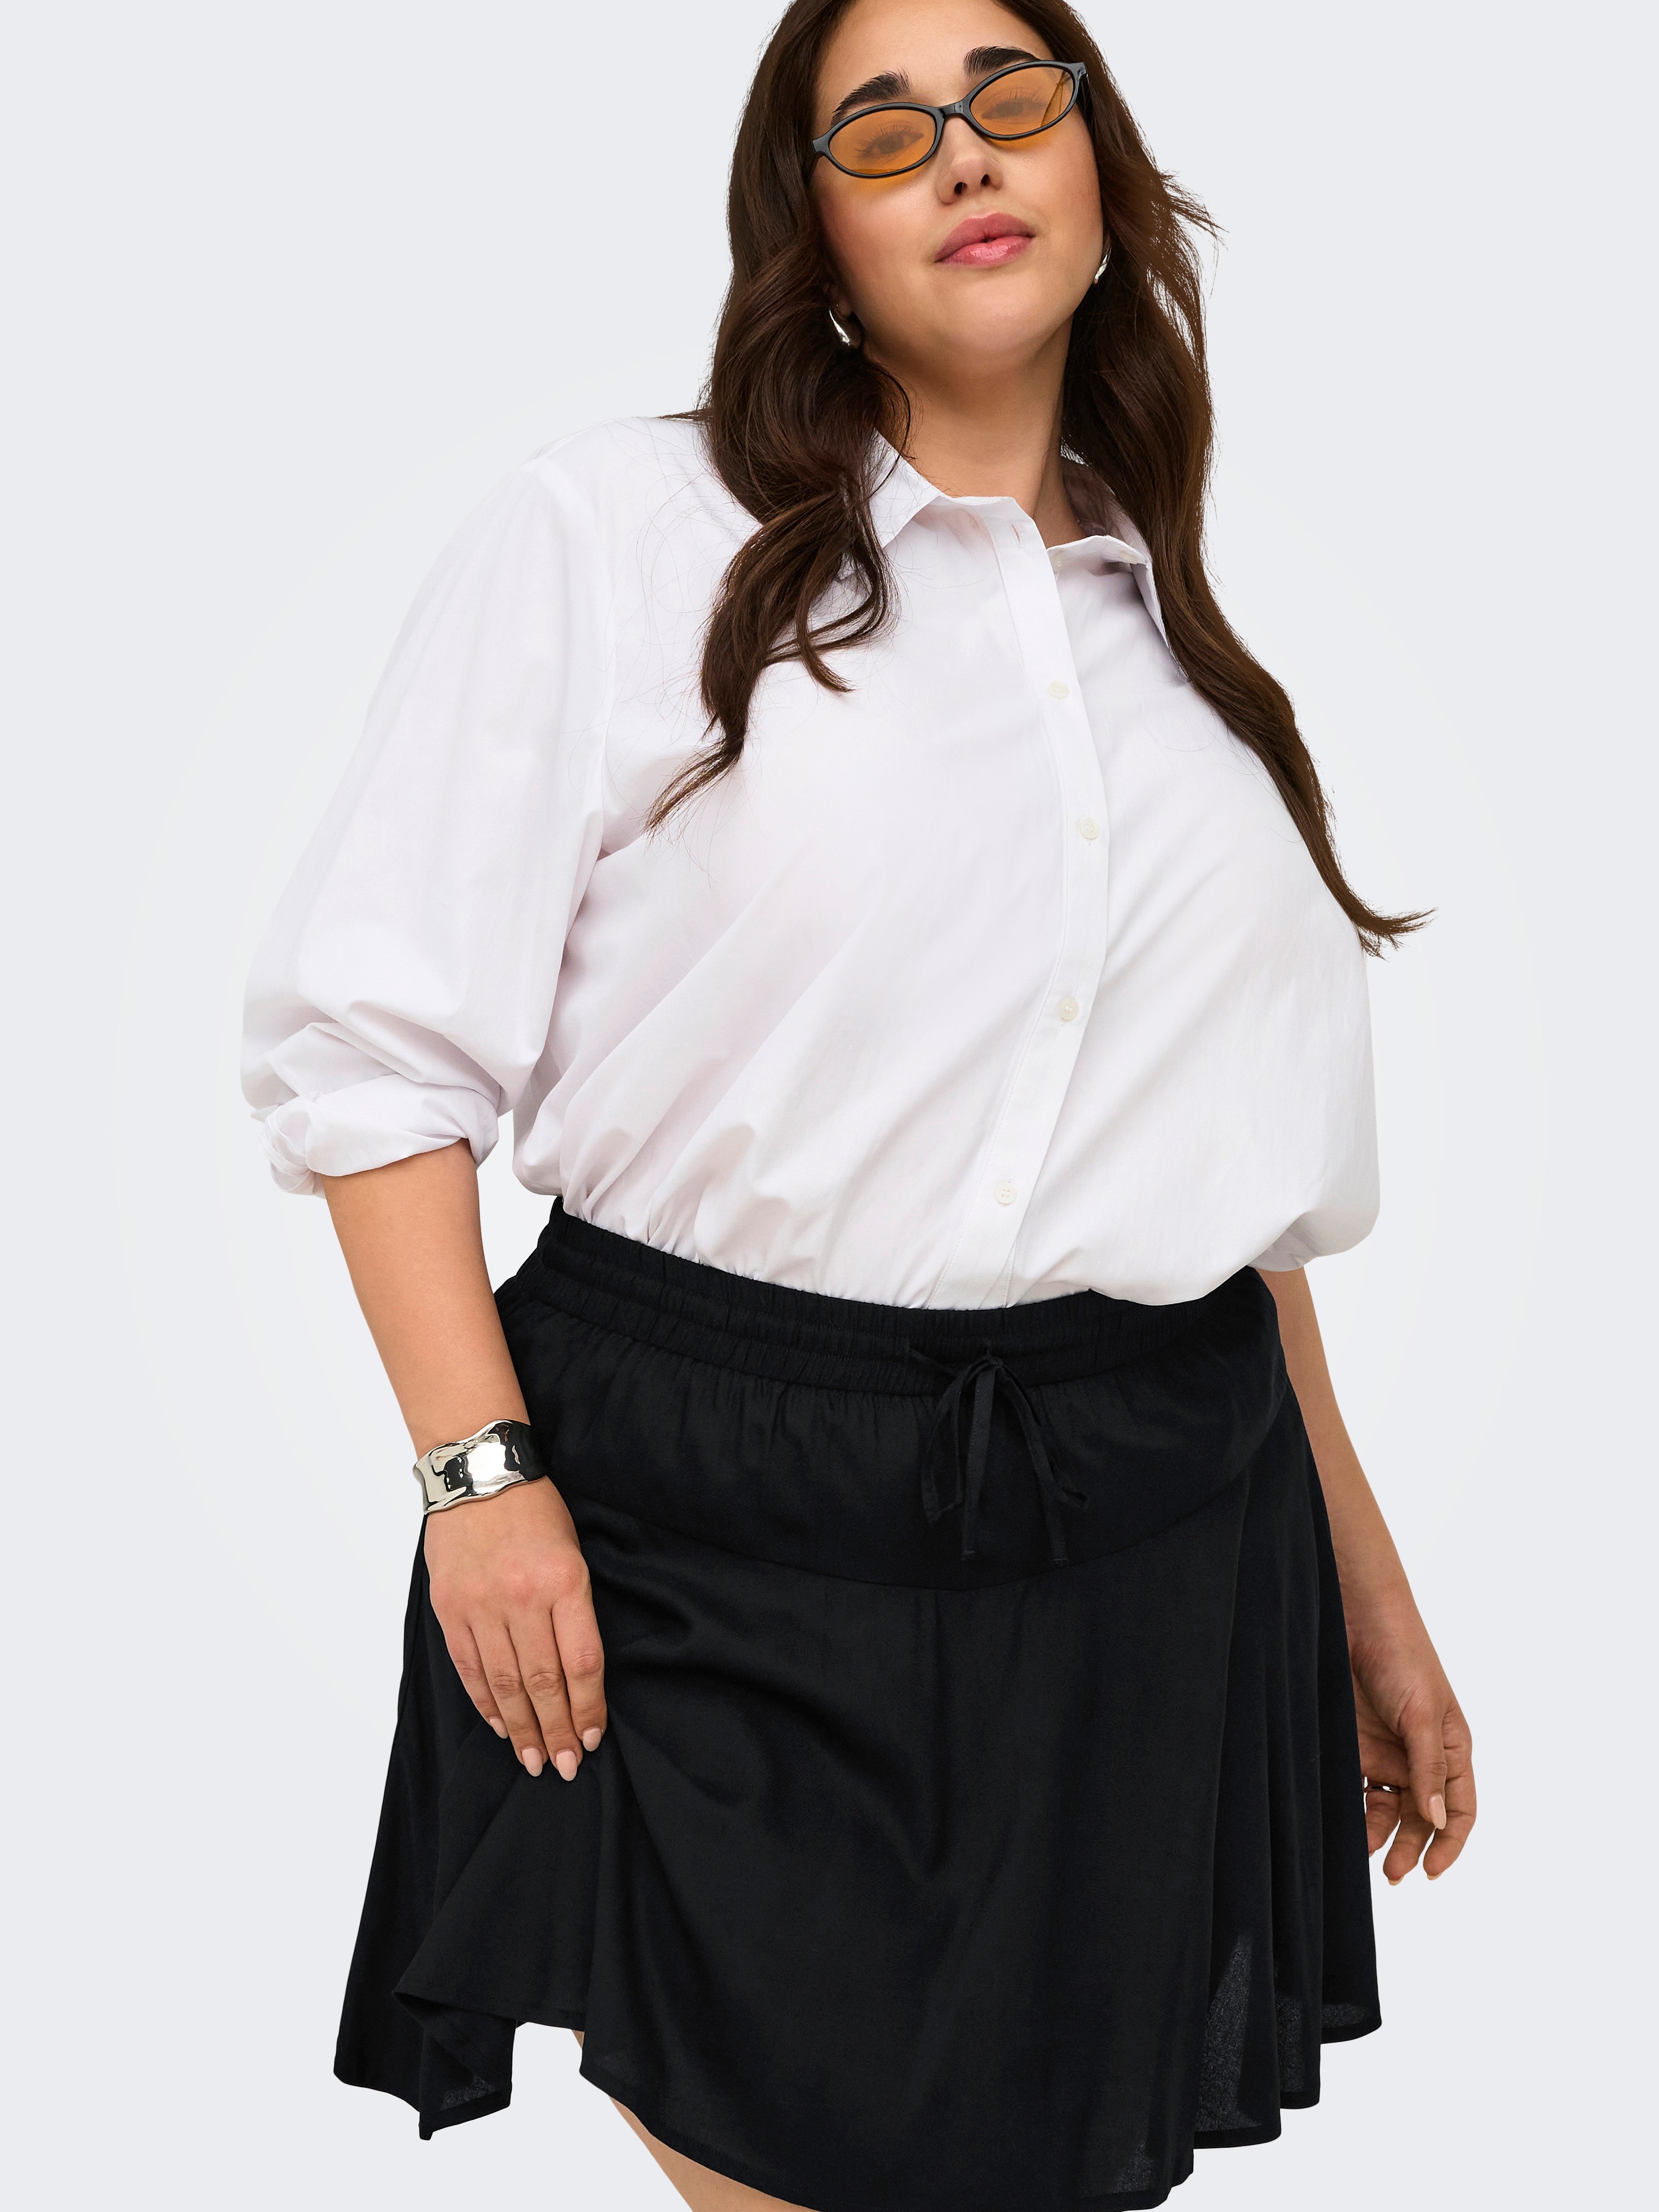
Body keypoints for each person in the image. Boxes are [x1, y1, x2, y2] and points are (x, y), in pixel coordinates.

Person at [241, 2, 1476, 2205]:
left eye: (1013, 99)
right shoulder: (623, 532)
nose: (964, 155)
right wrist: (476, 1477)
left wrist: (1368, 1600)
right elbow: (376, 1053)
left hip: (1152, 1537)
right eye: (883, 131)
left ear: (1103, 177)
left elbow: (1227, 1204)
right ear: (808, 232)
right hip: (711, 1511)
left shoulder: (1173, 646)